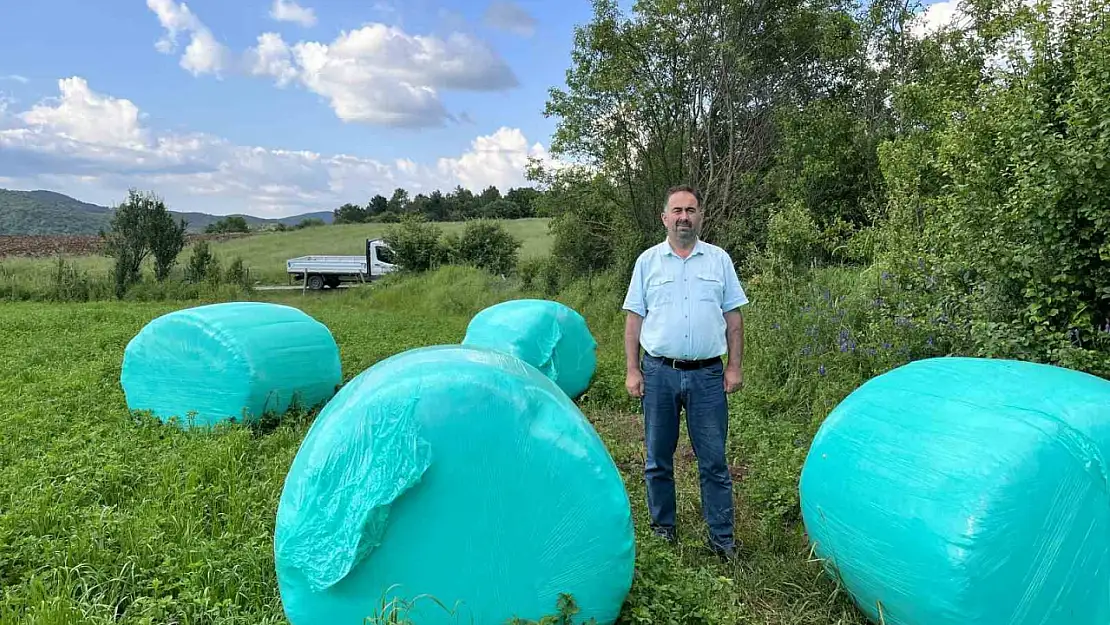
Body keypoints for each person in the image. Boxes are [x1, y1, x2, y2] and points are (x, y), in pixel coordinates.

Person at [621, 183, 748, 560]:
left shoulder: (719, 260)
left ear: (700, 216)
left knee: (714, 461)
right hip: (658, 373)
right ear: (664, 218)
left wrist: (735, 366)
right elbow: (633, 320)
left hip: (708, 375)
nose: (683, 217)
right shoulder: (647, 262)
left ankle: (722, 540)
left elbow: (733, 317)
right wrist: (632, 369)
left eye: (690, 210)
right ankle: (663, 531)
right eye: (676, 211)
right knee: (657, 459)